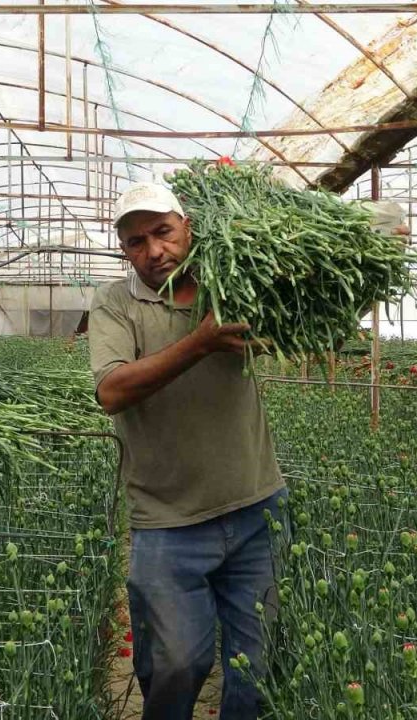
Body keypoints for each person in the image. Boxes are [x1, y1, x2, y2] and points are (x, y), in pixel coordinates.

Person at [88, 182, 285, 720]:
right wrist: (201, 342)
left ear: (188, 227)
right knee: (176, 662)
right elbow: (112, 391)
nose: (153, 251)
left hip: (255, 509)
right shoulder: (115, 303)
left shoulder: (235, 284)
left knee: (255, 664)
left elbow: (315, 312)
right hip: (167, 522)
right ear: (124, 249)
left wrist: (381, 242)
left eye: (163, 232)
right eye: (135, 241)